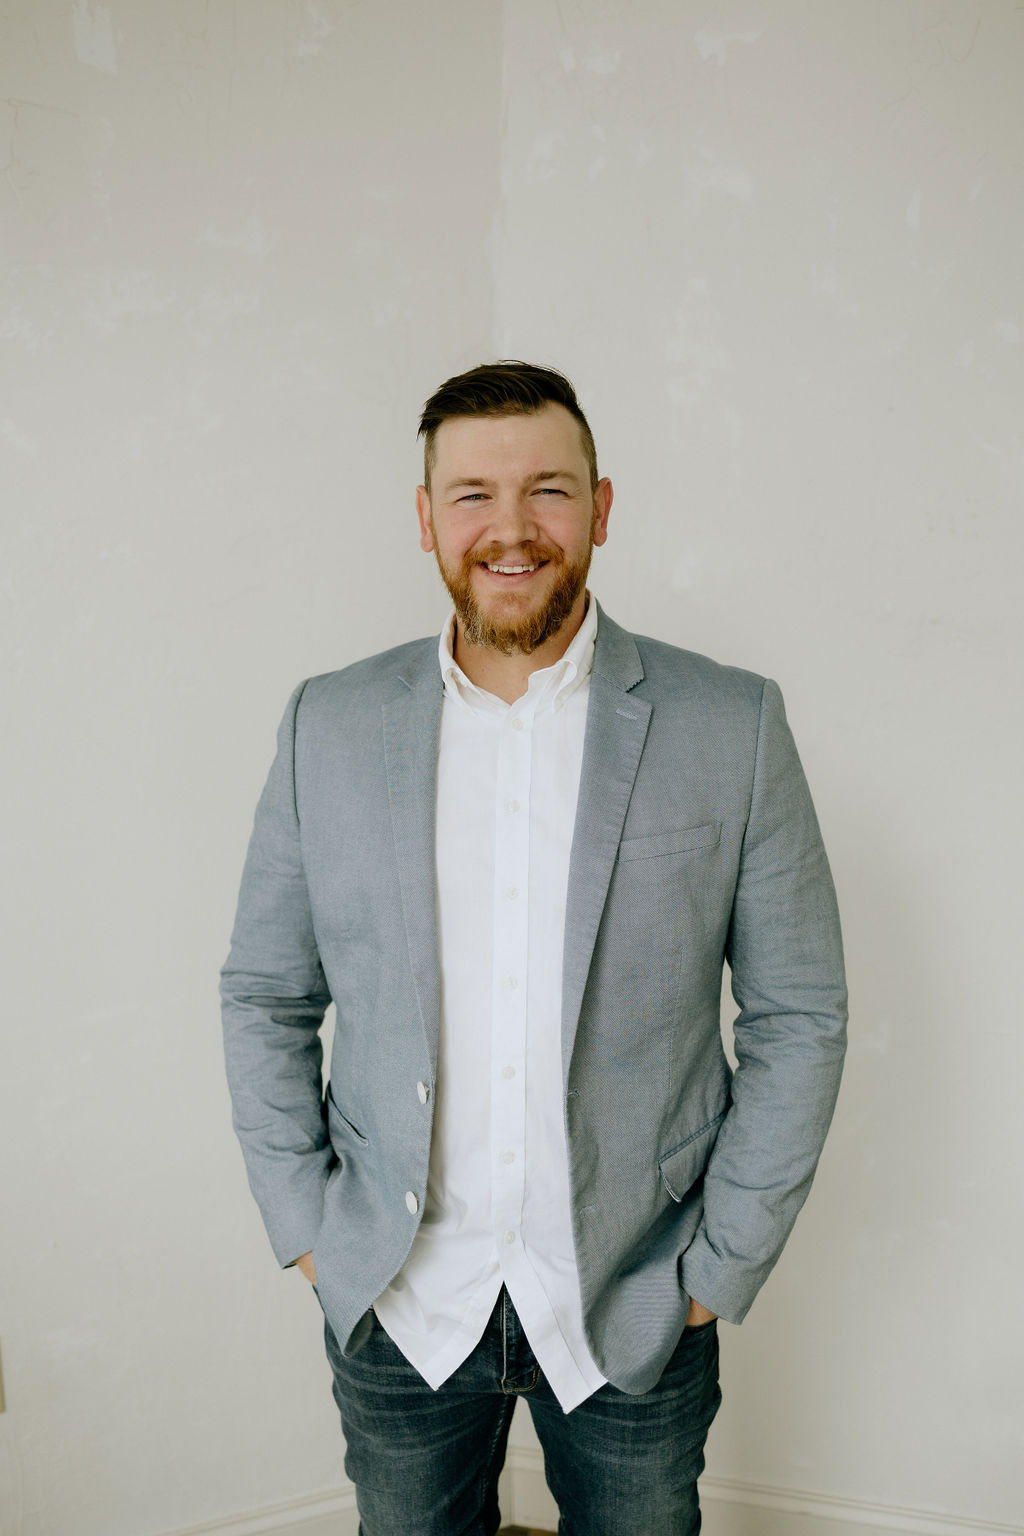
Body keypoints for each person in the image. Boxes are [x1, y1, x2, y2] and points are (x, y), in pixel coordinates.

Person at [221, 360, 847, 1536]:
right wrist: (306, 1231)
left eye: (547, 490)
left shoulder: (733, 723)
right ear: (425, 520)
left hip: (635, 1303)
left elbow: (799, 1012)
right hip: (399, 1304)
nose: (510, 529)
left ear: (601, 508)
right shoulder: (329, 723)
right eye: (470, 495)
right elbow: (263, 992)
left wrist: (718, 1268)